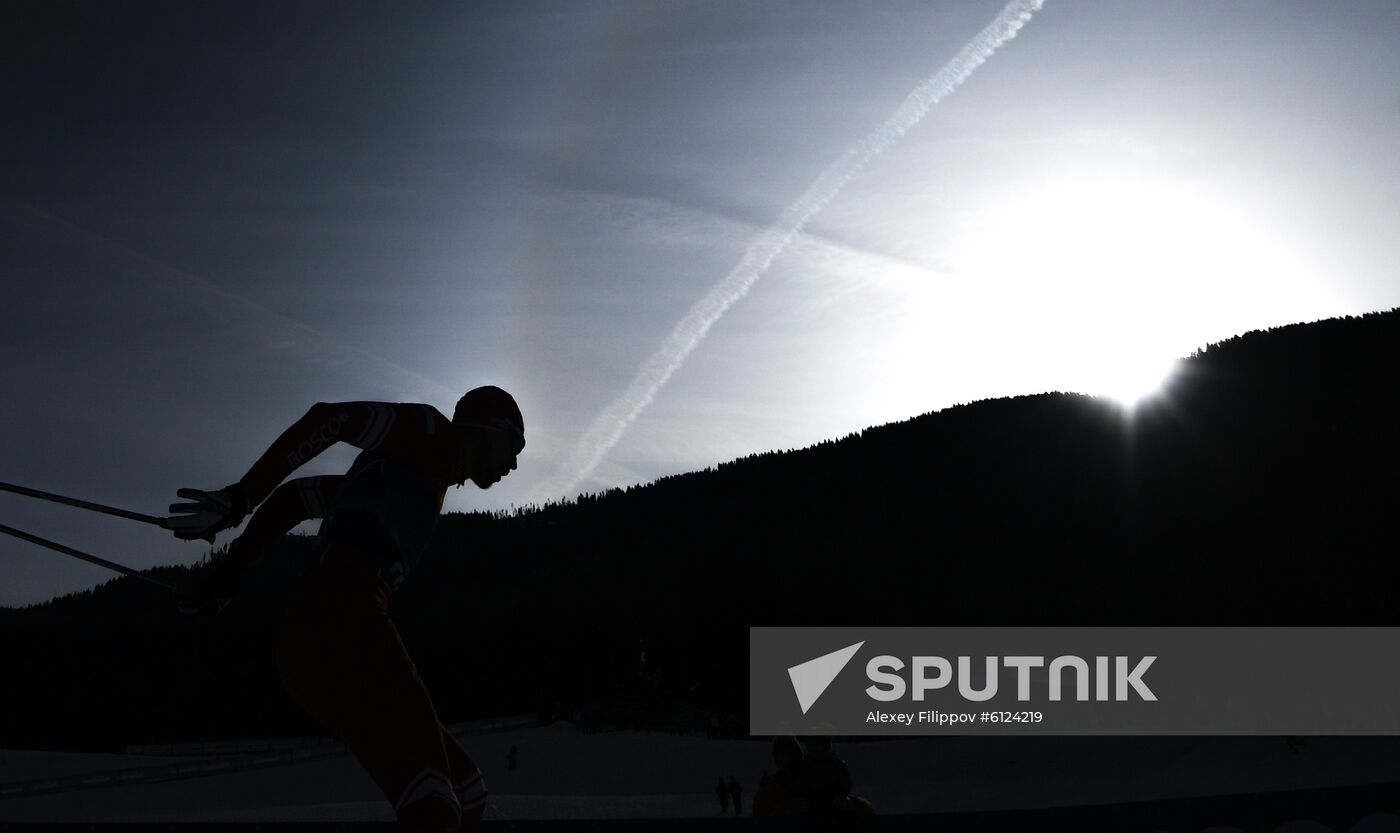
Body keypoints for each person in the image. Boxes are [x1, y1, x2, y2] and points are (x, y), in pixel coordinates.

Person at [168, 387, 525, 833]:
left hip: (312, 643)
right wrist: (244, 495)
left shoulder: (409, 472)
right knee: (438, 803)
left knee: (466, 789)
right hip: (344, 619)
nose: (514, 464)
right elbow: (331, 419)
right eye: (515, 445)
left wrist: (227, 578)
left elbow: (295, 500)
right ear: (487, 428)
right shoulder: (433, 436)